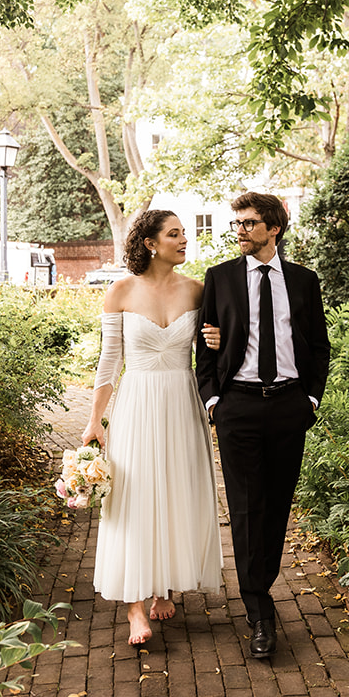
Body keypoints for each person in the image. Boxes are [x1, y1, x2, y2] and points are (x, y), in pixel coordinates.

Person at [195, 191, 330, 660]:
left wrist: (310, 399)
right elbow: (204, 347)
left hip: (290, 405)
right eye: (237, 223)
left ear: (274, 228)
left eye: (250, 222)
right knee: (246, 507)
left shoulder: (304, 281)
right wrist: (214, 401)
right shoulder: (220, 278)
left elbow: (318, 345)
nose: (240, 230)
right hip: (239, 406)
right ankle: (259, 610)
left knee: (275, 506)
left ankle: (260, 587)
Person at [82, 210, 222, 647]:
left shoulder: (197, 289)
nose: (184, 240)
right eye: (174, 234)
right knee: (134, 497)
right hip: (137, 402)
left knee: (177, 491)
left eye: (184, 233)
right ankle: (135, 607)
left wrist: (220, 340)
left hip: (183, 401)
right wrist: (94, 420)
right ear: (150, 243)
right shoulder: (121, 290)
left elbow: (214, 351)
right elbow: (109, 361)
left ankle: (164, 586)